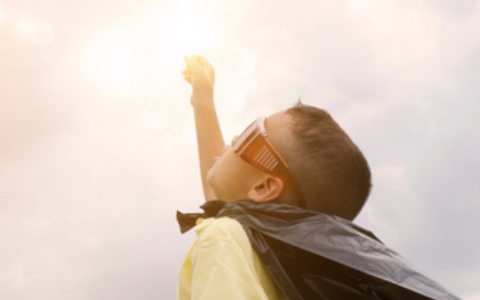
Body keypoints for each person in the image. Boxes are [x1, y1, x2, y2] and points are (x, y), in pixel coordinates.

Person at [176, 55, 371, 299]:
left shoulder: (225, 237)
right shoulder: (281, 262)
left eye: (250, 135)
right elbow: (220, 186)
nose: (235, 138)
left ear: (264, 187)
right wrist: (202, 99)